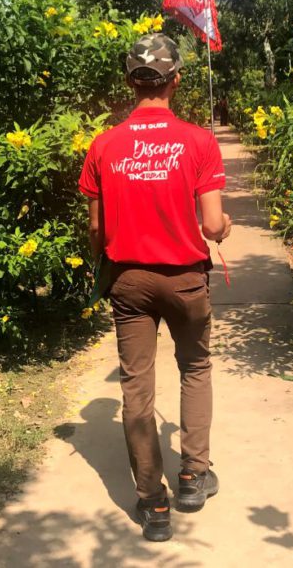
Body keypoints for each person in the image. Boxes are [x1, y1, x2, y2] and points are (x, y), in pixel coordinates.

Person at [78, 33, 231, 542]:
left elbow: (97, 233)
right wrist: (224, 225)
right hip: (186, 280)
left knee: (136, 387)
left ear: (130, 82)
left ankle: (152, 503)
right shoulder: (198, 142)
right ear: (176, 80)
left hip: (129, 282)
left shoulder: (104, 145)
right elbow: (212, 228)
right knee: (195, 368)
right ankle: (192, 476)